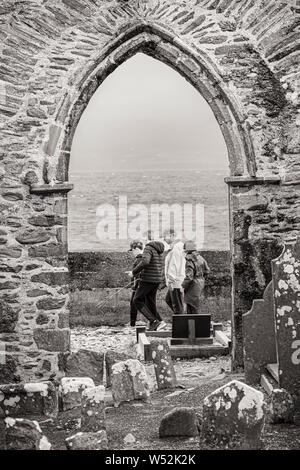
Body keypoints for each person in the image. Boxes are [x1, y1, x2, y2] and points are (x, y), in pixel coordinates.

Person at [132, 240, 167, 331]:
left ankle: (154, 321)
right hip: (157, 279)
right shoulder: (158, 250)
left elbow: (146, 262)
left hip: (148, 279)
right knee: (150, 303)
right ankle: (159, 322)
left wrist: (134, 272)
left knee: (137, 300)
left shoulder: (148, 248)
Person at [182, 240, 210, 314]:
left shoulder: (189, 260)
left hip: (193, 284)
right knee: (195, 305)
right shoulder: (200, 258)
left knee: (191, 307)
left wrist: (182, 286)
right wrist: (201, 278)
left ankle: (192, 324)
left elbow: (189, 277)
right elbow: (207, 271)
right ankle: (195, 323)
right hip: (200, 282)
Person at [163, 229, 185, 314]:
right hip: (178, 279)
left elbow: (174, 264)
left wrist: (171, 280)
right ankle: (181, 318)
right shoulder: (178, 247)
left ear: (172, 235)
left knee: (177, 305)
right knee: (169, 300)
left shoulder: (176, 247)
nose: (164, 239)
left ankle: (182, 322)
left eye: (165, 236)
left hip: (176, 281)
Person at [127, 239, 144, 327]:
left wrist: (134, 286)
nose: (132, 253)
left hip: (138, 286)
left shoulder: (138, 260)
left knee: (134, 304)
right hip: (141, 285)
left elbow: (137, 275)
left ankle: (132, 323)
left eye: (133, 250)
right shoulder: (143, 258)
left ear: (136, 249)